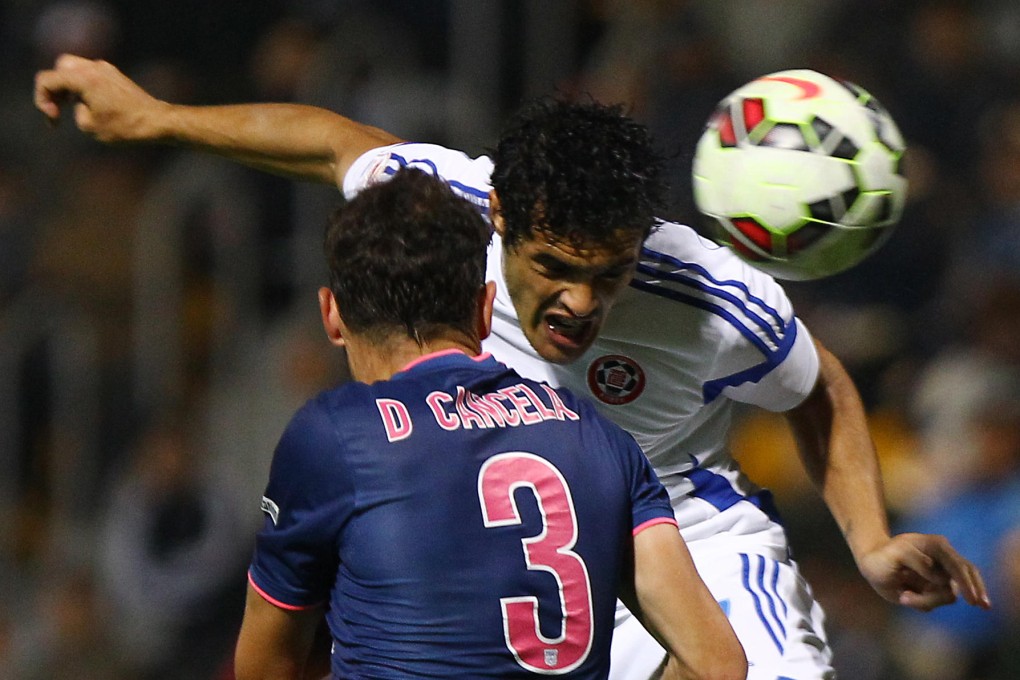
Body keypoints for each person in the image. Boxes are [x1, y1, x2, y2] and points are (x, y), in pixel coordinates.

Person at [34, 54, 990, 680]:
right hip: (529, 543)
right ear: (502, 225)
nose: (580, 301)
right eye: (555, 270)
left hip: (687, 528)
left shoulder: (712, 296)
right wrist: (159, 117)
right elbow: (333, 145)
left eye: (606, 276)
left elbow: (818, 384)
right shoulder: (456, 195)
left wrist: (868, 542)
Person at [232, 167, 746, 679]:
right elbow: (717, 663)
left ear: (331, 315)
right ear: (483, 310)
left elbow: (265, 665)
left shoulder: (334, 436)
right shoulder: (601, 438)